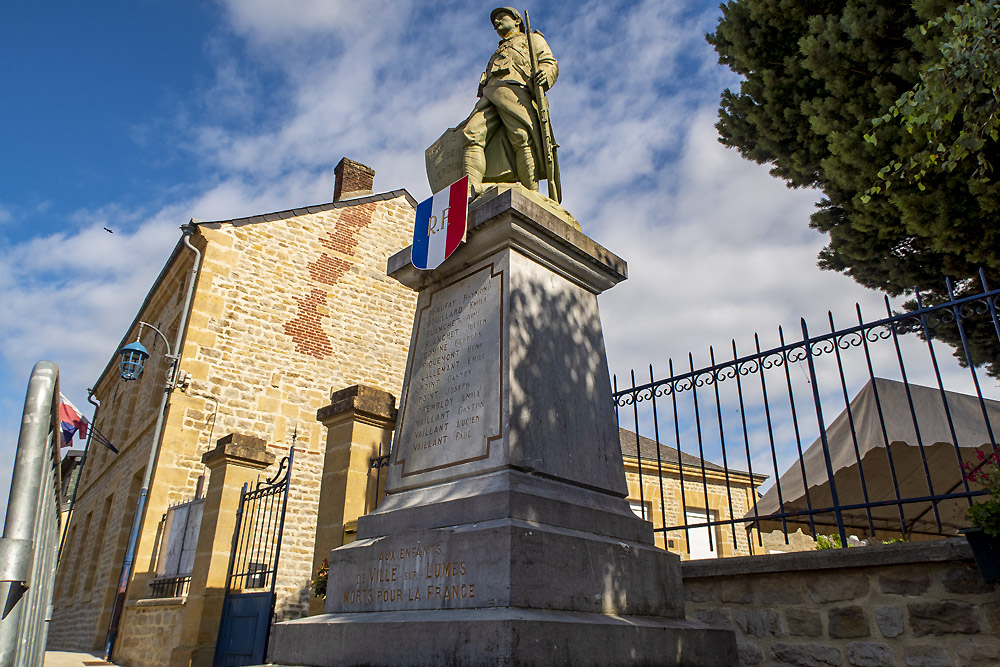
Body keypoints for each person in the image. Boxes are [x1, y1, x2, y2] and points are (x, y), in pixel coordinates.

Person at [461, 7, 558, 199]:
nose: (496, 22)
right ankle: (469, 190)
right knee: (471, 133)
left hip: (516, 91)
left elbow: (549, 63)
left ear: (516, 21)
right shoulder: (497, 51)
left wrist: (544, 74)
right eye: (494, 20)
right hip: (490, 95)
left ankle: (532, 193)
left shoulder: (532, 40)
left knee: (521, 137)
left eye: (500, 17)